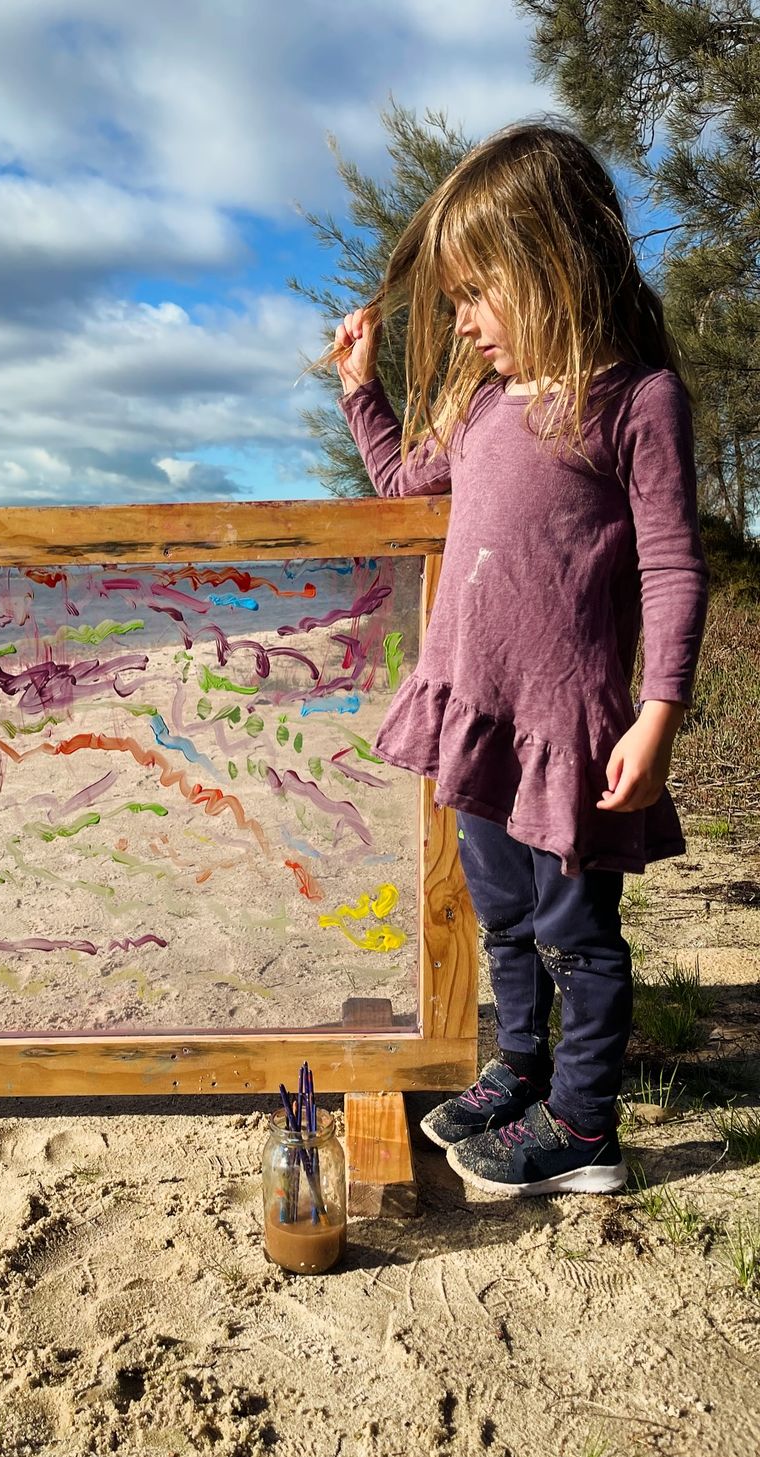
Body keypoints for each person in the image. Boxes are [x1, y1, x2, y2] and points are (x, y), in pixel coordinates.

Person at [329, 119, 709, 1197]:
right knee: (500, 915)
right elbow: (406, 484)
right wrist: (363, 391)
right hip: (482, 715)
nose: (462, 322)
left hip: (572, 735)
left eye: (475, 294)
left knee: (578, 938)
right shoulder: (489, 404)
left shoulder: (636, 401)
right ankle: (521, 1071)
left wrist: (660, 713)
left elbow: (675, 570)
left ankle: (587, 1132)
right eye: (450, 301)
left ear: (551, 265)